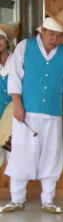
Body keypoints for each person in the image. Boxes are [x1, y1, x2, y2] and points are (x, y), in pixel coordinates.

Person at [0, 10, 63, 213]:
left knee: (51, 156)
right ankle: (17, 199)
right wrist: (18, 106)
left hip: (53, 114)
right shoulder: (24, 47)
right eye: (51, 34)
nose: (55, 39)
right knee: (21, 154)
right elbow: (15, 79)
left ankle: (48, 201)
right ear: (42, 30)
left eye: (60, 35)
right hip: (27, 113)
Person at [0, 22, 16, 168]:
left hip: (14, 122)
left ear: (7, 41)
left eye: (0, 38)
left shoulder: (17, 62)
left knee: (15, 163)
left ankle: (16, 192)